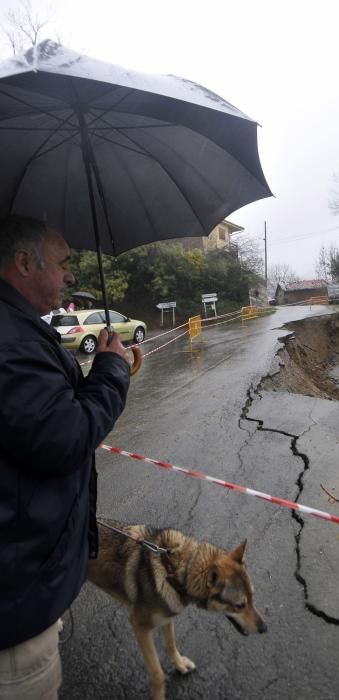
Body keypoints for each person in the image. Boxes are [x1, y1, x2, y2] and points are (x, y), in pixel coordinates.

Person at [0, 215, 131, 700]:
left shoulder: (19, 329)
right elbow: (65, 437)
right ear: (24, 263)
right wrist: (113, 372)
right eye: (63, 263)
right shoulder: (11, 341)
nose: (71, 276)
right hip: (13, 604)